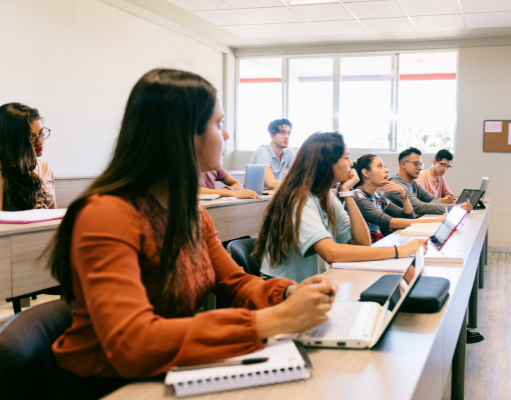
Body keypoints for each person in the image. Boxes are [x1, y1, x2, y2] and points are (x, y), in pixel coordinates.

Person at [47, 70, 336, 394]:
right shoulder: (107, 214)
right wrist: (271, 321)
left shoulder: (191, 210)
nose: (225, 135)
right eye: (217, 123)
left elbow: (234, 282)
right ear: (181, 133)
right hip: (105, 386)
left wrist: (286, 294)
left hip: (166, 373)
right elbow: (133, 343)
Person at [254, 132, 428, 283]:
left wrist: (346, 192)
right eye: (345, 157)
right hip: (282, 289)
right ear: (327, 163)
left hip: (314, 282)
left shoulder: (327, 196)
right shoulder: (298, 198)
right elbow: (331, 252)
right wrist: (400, 250)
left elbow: (362, 243)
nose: (351, 163)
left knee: (402, 272)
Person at [353, 154, 445, 242]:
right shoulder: (358, 196)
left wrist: (403, 194)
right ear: (366, 172)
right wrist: (435, 221)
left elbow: (409, 218)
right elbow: (388, 222)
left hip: (378, 243)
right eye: (380, 166)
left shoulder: (378, 197)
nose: (386, 170)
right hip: (367, 248)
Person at [384, 147, 473, 215]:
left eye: (420, 164)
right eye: (416, 164)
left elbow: (433, 200)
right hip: (396, 233)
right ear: (403, 164)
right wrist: (457, 207)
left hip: (410, 227)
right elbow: (418, 207)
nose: (419, 168)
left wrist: (428, 206)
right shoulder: (396, 185)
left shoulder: (413, 183)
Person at [0, 103, 55, 210]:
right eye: (31, 137)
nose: (40, 142)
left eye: (41, 133)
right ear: (12, 141)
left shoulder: (45, 167)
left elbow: (54, 212)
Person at [250, 118, 295, 189]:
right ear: (272, 136)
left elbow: (298, 175)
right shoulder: (263, 152)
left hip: (275, 193)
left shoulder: (288, 151)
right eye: (282, 133)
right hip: (259, 196)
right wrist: (297, 183)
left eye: (288, 133)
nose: (287, 137)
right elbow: (271, 183)